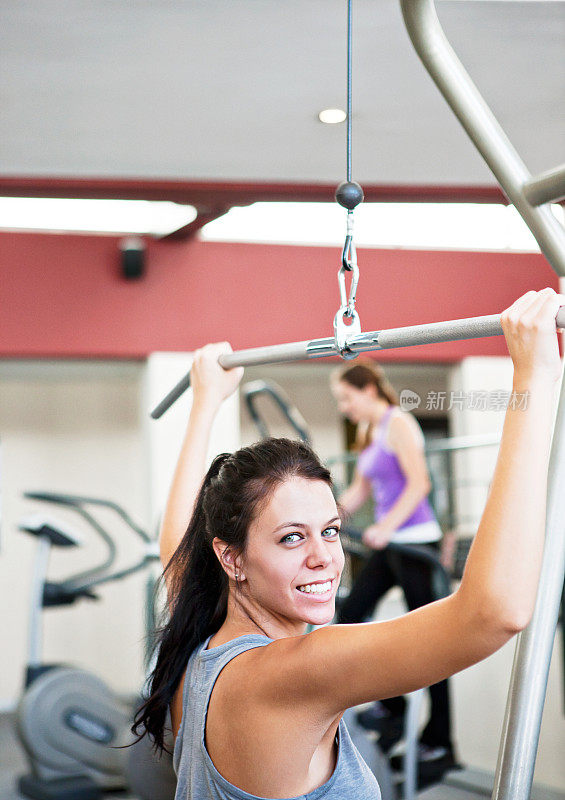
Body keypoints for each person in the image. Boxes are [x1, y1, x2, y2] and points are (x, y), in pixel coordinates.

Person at [134, 288, 563, 800]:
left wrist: (206, 402)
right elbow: (494, 613)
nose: (324, 557)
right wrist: (535, 380)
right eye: (292, 537)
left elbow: (174, 544)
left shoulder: (200, 643)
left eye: (330, 530)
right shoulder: (295, 673)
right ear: (230, 556)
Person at [330, 359, 455, 784]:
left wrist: (385, 527)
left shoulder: (399, 423)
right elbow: (360, 489)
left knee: (431, 641)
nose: (345, 407)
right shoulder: (370, 432)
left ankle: (440, 737)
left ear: (367, 390)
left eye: (347, 398)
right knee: (349, 614)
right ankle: (394, 704)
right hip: (390, 542)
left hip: (415, 540)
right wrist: (326, 519)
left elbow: (419, 483)